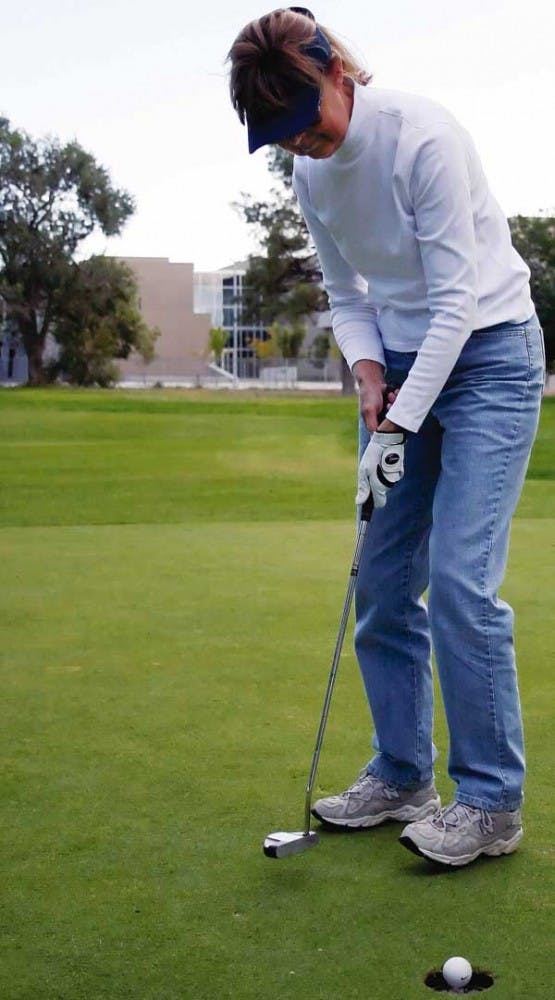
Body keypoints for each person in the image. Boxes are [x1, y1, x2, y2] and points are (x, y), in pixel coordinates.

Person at [227, 7, 545, 867]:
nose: (304, 146)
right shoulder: (308, 172)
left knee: (458, 584)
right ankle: (404, 773)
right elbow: (346, 293)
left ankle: (490, 803)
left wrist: (400, 418)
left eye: (308, 125)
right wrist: (369, 377)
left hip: (486, 357)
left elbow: (453, 304)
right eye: (284, 139)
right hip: (402, 366)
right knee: (379, 580)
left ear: (338, 73)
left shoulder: (421, 140)